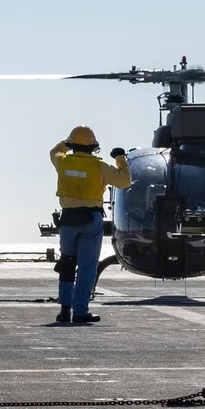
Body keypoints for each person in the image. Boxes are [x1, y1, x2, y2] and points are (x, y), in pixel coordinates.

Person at [50, 126, 130, 325]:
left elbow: (54, 151)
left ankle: (64, 310)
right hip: (90, 219)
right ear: (94, 147)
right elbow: (125, 181)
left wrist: (65, 144)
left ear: (71, 145)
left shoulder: (62, 161)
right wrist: (120, 158)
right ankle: (80, 311)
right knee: (87, 267)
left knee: (67, 263)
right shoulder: (99, 166)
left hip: (68, 219)